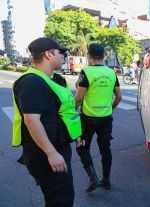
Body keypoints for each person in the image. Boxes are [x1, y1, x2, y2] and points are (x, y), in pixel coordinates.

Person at [12, 37, 84, 206]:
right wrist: (51, 153)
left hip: (57, 146)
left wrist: (75, 134)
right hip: (44, 153)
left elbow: (63, 111)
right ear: (48, 55)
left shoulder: (52, 79)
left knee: (60, 196)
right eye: (61, 52)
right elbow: (31, 120)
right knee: (61, 200)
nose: (64, 56)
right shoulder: (32, 82)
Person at [74, 43, 122, 192]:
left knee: (82, 148)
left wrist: (72, 115)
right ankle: (106, 180)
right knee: (105, 149)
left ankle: (93, 177)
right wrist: (110, 109)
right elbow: (119, 96)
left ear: (89, 56)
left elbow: (78, 98)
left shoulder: (86, 72)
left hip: (88, 119)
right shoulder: (111, 73)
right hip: (106, 119)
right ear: (103, 56)